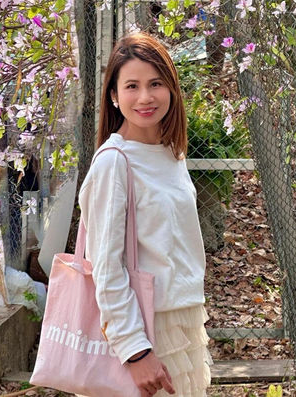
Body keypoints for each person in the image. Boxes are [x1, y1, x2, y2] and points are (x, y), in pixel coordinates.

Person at [77, 32, 211, 397]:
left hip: (183, 320)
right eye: (132, 86)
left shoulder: (171, 154)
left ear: (171, 89)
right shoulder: (113, 162)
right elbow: (105, 266)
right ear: (115, 97)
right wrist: (136, 352)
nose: (146, 97)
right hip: (144, 328)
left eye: (155, 83)